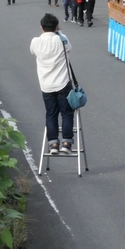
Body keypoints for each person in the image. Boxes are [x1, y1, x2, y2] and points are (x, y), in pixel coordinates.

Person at [30, 14, 75, 154]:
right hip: (63, 82)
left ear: (41, 27)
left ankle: (53, 144)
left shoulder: (35, 42)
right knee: (67, 114)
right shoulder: (62, 40)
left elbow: (33, 52)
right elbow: (69, 48)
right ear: (56, 27)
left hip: (46, 84)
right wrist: (59, 32)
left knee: (51, 114)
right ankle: (67, 143)